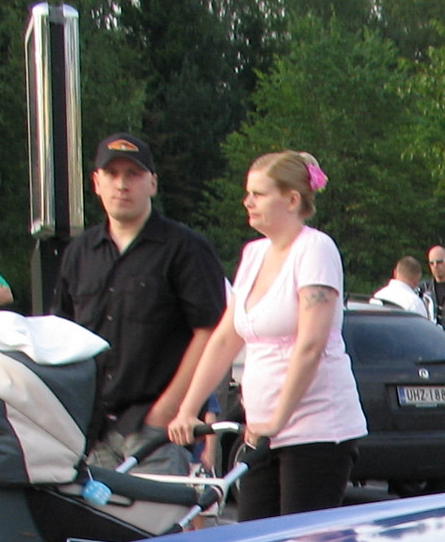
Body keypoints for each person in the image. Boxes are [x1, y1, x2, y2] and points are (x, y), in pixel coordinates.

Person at [167, 150, 368, 520]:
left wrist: (278, 419)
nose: (248, 202)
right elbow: (226, 339)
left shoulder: (315, 249)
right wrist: (187, 409)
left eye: (258, 194)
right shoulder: (254, 254)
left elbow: (311, 344)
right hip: (260, 431)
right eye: (248, 193)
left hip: (315, 428)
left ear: (292, 200)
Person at [55, 133, 229, 473]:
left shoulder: (185, 249)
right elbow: (62, 333)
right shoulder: (79, 252)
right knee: (99, 527)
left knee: (156, 527)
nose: (122, 185)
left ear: (152, 183)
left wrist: (169, 408)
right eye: (112, 174)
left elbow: (211, 332)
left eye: (134, 175)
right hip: (91, 431)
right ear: (96, 182)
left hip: (154, 431)